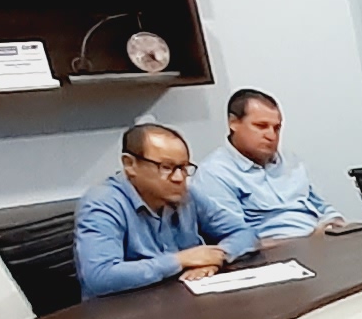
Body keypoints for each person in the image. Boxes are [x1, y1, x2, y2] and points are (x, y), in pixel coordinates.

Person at [73, 122, 259, 299]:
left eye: (184, 167)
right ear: (130, 164)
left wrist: (216, 257)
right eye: (167, 167)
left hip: (179, 300)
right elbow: (100, 276)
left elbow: (243, 232)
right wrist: (180, 260)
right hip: (122, 312)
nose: (179, 178)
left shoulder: (187, 195)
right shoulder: (102, 203)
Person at [193, 88, 346, 240]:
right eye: (261, 126)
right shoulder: (215, 174)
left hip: (319, 242)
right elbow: (236, 240)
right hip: (273, 249)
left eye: (277, 128)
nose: (272, 136)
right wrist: (308, 241)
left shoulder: (291, 162)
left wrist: (336, 224)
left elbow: (323, 207)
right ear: (233, 123)